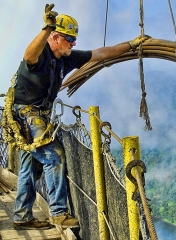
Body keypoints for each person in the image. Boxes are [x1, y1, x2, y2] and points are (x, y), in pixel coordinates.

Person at [12, 3, 148, 230]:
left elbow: (102, 53)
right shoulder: (40, 57)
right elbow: (29, 55)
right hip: (26, 116)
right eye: (68, 39)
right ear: (54, 37)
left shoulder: (67, 58)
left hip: (40, 116)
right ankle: (58, 212)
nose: (73, 44)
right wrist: (45, 28)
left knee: (30, 166)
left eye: (74, 40)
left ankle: (22, 216)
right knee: (53, 155)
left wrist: (131, 44)